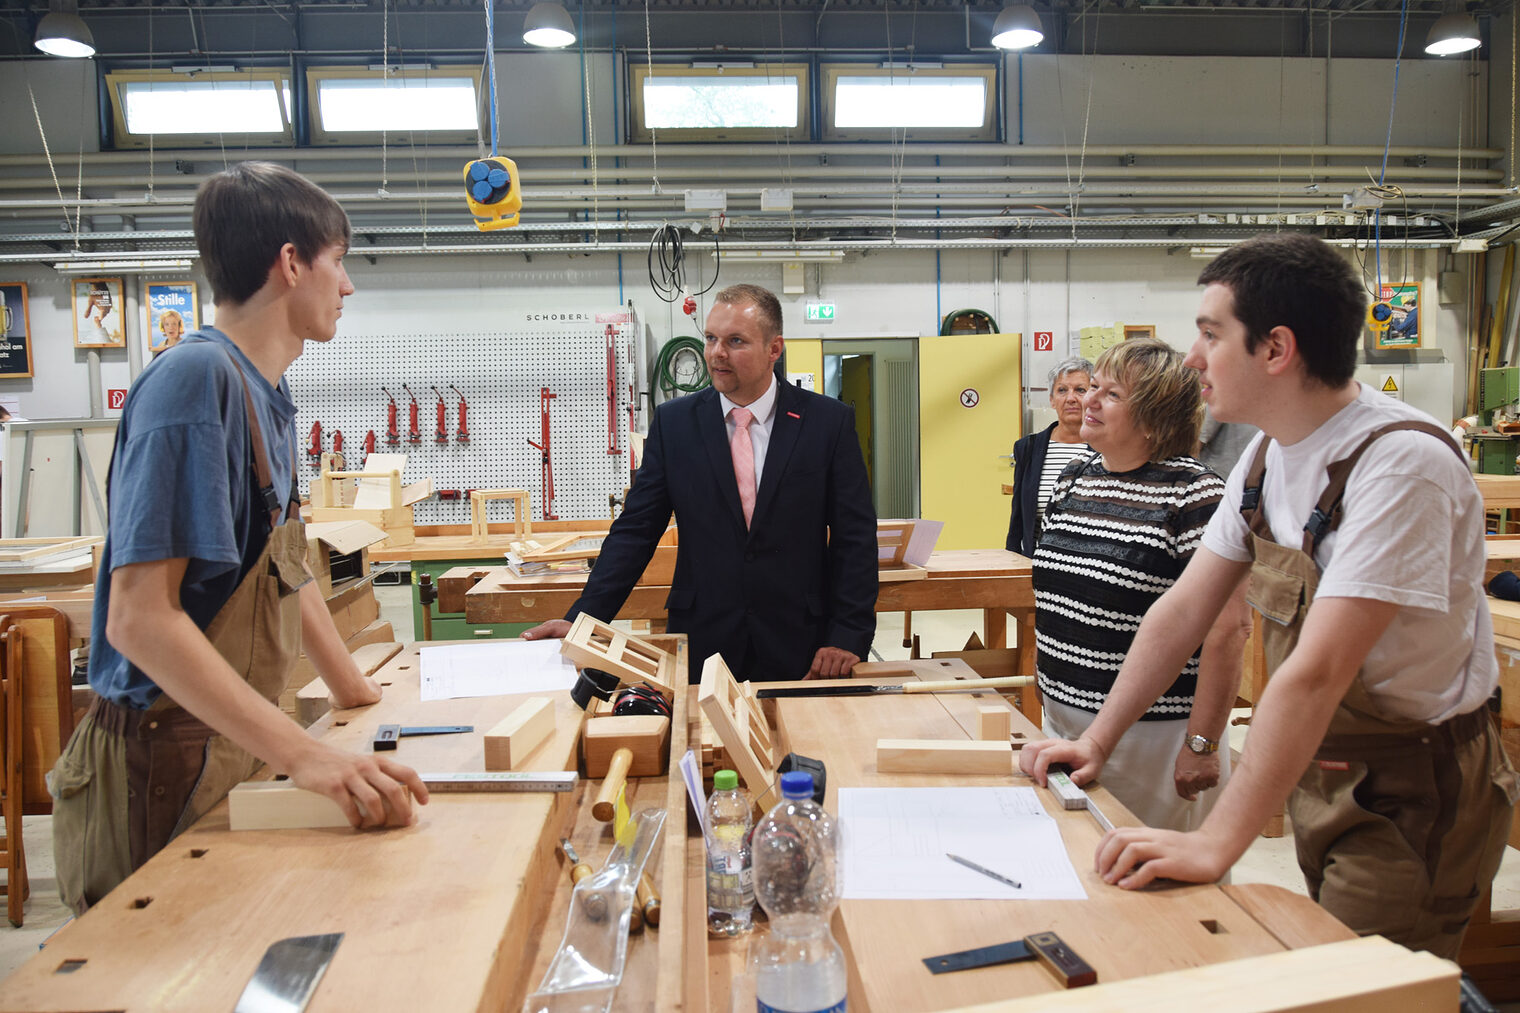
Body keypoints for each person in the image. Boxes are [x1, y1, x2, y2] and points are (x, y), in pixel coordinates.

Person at [1021, 233, 1516, 958]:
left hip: (1413, 787)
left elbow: (1315, 672)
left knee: (1360, 985)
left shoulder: (1401, 464)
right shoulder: (1267, 456)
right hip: (1322, 765)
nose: (1192, 357)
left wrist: (1218, 841)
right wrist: (1097, 739)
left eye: (1211, 334)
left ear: (1276, 349)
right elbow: (1183, 609)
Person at [49, 162, 427, 914]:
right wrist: (305, 753)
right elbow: (139, 617)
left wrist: (360, 697)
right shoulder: (195, 382)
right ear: (291, 263)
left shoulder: (267, 393)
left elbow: (287, 568)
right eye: (339, 261)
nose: (347, 286)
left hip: (223, 740)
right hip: (153, 762)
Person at [523, 283, 878, 682]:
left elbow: (855, 537)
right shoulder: (675, 425)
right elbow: (636, 531)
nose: (716, 353)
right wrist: (583, 620)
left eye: (735, 341)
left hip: (802, 640)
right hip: (704, 639)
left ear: (774, 349)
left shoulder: (826, 423)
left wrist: (848, 633)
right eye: (710, 338)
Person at [1032, 337, 1241, 831]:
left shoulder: (1195, 494)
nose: (1088, 401)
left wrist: (1202, 744)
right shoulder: (1076, 478)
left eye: (1112, 394)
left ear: (1156, 417)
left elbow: (1228, 631)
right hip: (1064, 719)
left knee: (1157, 889)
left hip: (1154, 736)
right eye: (1092, 388)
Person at [1005, 357, 1091, 557]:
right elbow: (1017, 518)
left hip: (1092, 569)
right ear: (1052, 399)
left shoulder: (1109, 450)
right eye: (1062, 390)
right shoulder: (1028, 448)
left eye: (1080, 390)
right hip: (1040, 565)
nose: (1071, 398)